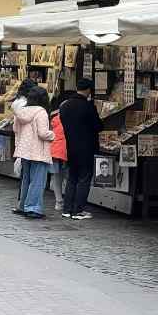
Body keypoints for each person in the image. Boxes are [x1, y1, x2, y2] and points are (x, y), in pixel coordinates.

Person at [60, 78, 103, 220]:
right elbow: (98, 126)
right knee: (84, 178)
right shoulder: (88, 107)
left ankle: (67, 209)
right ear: (89, 90)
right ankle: (78, 210)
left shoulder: (65, 106)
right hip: (86, 148)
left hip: (70, 146)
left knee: (72, 177)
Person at [12, 86, 55, 219]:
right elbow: (42, 133)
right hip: (38, 151)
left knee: (26, 179)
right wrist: (52, 134)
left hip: (24, 150)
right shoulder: (41, 112)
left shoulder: (21, 112)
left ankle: (22, 205)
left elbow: (15, 129)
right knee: (37, 180)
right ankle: (33, 208)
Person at [49, 108, 67, 211]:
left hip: (54, 151)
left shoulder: (55, 120)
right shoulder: (69, 120)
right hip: (64, 151)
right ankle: (67, 200)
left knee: (56, 176)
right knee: (68, 176)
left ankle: (58, 201)